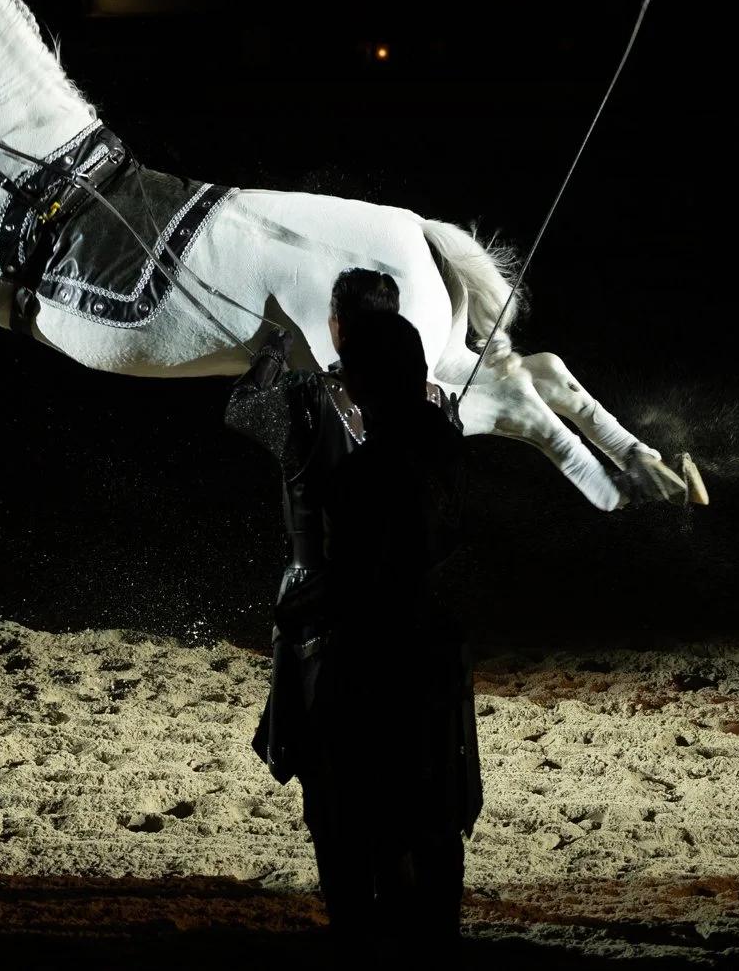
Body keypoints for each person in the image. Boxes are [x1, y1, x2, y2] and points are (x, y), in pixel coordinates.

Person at [226, 273, 480, 964]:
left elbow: (243, 410)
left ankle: (369, 936)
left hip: (355, 637)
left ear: (342, 333)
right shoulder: (444, 430)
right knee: (429, 811)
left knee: (344, 806)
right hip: (433, 641)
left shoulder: (315, 408)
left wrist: (272, 351)